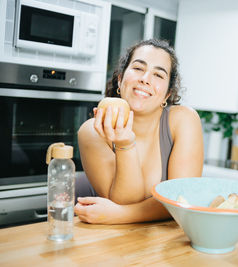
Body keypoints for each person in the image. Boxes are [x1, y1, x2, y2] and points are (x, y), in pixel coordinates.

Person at [74, 39, 204, 224]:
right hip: (107, 238)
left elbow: (181, 199)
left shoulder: (184, 120)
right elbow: (125, 200)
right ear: (120, 79)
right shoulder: (92, 130)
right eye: (138, 68)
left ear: (167, 94)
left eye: (158, 75)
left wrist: (119, 215)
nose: (145, 79)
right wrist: (124, 144)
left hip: (163, 240)